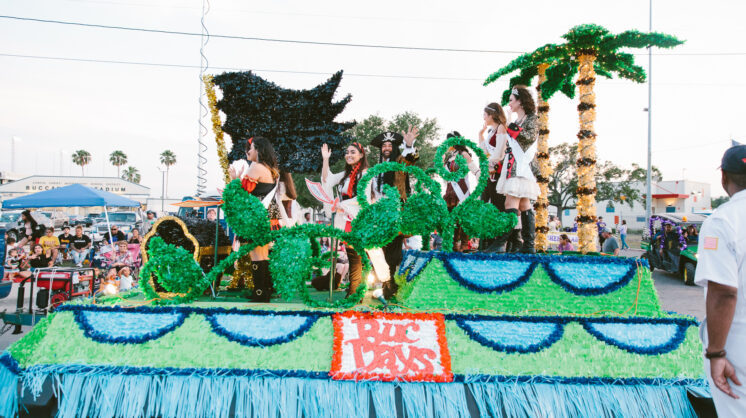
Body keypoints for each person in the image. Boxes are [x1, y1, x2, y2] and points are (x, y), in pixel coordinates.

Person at [694, 145, 746, 416]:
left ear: (724, 177)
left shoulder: (724, 220)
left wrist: (716, 353)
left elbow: (724, 291)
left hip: (738, 349)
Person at [229, 136, 283, 302]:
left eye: (251, 148)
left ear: (258, 150)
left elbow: (243, 193)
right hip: (268, 215)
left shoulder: (256, 167)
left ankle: (260, 293)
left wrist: (234, 180)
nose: (248, 151)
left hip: (258, 216)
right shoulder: (270, 168)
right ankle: (265, 290)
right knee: (264, 254)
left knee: (257, 255)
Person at [370, 127, 419, 298]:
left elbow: (411, 159)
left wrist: (410, 144)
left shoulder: (399, 162)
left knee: (395, 250)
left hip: (396, 211)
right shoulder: (376, 168)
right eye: (384, 146)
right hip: (380, 214)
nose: (387, 148)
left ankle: (391, 286)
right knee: (381, 251)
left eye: (390, 145)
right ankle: (386, 284)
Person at [320, 141, 374, 297]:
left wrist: (341, 205)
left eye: (353, 152)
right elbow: (326, 180)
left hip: (358, 219)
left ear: (361, 155)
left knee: (357, 256)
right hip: (347, 219)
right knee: (353, 256)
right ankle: (354, 291)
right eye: (347, 152)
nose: (348, 155)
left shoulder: (365, 174)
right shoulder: (347, 174)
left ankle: (355, 293)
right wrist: (325, 159)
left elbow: (363, 198)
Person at [491, 86, 540, 253]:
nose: (509, 104)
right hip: (512, 166)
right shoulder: (519, 121)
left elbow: (528, 138)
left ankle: (500, 244)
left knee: (510, 203)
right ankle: (528, 246)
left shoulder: (532, 118)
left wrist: (510, 125)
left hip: (522, 167)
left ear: (520, 101)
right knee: (524, 205)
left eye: (511, 100)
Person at [478, 103, 509, 251]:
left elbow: (499, 153)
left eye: (485, 114)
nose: (483, 117)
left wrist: (491, 164)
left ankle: (501, 241)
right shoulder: (491, 131)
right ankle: (487, 240)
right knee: (487, 203)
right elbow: (485, 152)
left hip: (497, 172)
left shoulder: (502, 128)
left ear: (491, 115)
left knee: (498, 204)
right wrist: (480, 136)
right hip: (488, 171)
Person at [442, 132, 479, 252]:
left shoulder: (463, 154)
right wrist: (442, 162)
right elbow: (444, 176)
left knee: (462, 217)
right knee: (451, 216)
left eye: (450, 141)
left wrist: (482, 181)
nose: (448, 144)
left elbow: (474, 169)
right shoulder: (448, 157)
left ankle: (464, 243)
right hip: (450, 189)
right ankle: (453, 243)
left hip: (461, 188)